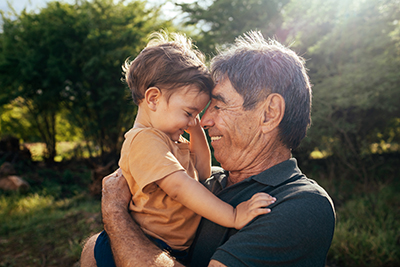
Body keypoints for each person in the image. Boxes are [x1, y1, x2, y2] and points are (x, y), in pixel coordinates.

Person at [81, 30, 336, 267]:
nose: (202, 120)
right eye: (197, 110)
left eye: (218, 106)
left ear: (269, 114)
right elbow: (93, 250)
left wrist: (114, 215)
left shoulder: (301, 204)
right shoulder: (211, 180)